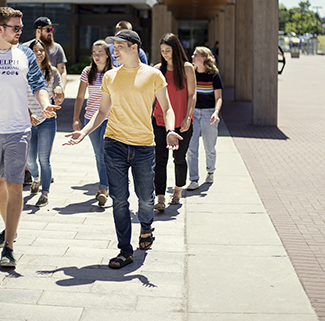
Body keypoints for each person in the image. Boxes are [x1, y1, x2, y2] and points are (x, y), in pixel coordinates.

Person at [64, 30, 182, 269]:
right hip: (114, 142)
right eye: (113, 47)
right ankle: (125, 251)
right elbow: (102, 111)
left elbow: (167, 108)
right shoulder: (110, 77)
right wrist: (84, 131)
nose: (114, 51)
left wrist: (170, 129)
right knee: (119, 200)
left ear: (134, 47)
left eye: (119, 46)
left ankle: (146, 228)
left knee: (146, 200)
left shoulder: (153, 75)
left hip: (143, 145)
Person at [0, 7, 60, 267]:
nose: (19, 32)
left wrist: (44, 104)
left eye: (20, 27)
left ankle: (9, 245)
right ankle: (9, 228)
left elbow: (38, 84)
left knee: (15, 185)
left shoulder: (25, 53)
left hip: (18, 129)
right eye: (15, 28)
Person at [152, 33, 196, 211]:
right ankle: (160, 196)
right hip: (160, 122)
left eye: (168, 50)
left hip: (183, 122)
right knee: (160, 159)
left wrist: (188, 116)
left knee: (179, 159)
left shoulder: (187, 68)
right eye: (162, 51)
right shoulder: (157, 70)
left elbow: (192, 94)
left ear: (176, 50)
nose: (164, 54)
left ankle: (177, 191)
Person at [72, 40, 112, 206]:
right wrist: (76, 117)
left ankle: (104, 188)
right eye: (94, 53)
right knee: (98, 154)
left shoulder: (114, 73)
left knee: (105, 152)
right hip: (91, 119)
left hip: (110, 118)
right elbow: (80, 96)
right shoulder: (87, 72)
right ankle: (106, 185)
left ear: (107, 55)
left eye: (100, 53)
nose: (96, 56)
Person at [27, 39, 64, 207]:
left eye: (41, 50)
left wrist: (59, 92)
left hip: (47, 121)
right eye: (35, 50)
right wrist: (28, 115)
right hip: (29, 120)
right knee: (29, 160)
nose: (39, 53)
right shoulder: (23, 72)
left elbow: (60, 95)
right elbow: (18, 98)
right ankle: (35, 178)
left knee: (44, 159)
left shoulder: (53, 72)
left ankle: (45, 193)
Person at [187, 46, 223, 190]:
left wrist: (216, 112)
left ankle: (210, 171)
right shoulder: (191, 74)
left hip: (209, 114)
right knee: (192, 148)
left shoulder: (214, 75)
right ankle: (194, 179)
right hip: (194, 113)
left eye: (196, 54)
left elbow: (219, 97)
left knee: (210, 147)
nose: (192, 56)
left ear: (204, 58)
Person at [24, 16, 67, 89]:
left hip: (51, 93)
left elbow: (62, 71)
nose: (50, 32)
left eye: (51, 29)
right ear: (38, 31)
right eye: (48, 30)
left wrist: (61, 88)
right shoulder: (25, 48)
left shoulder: (57, 48)